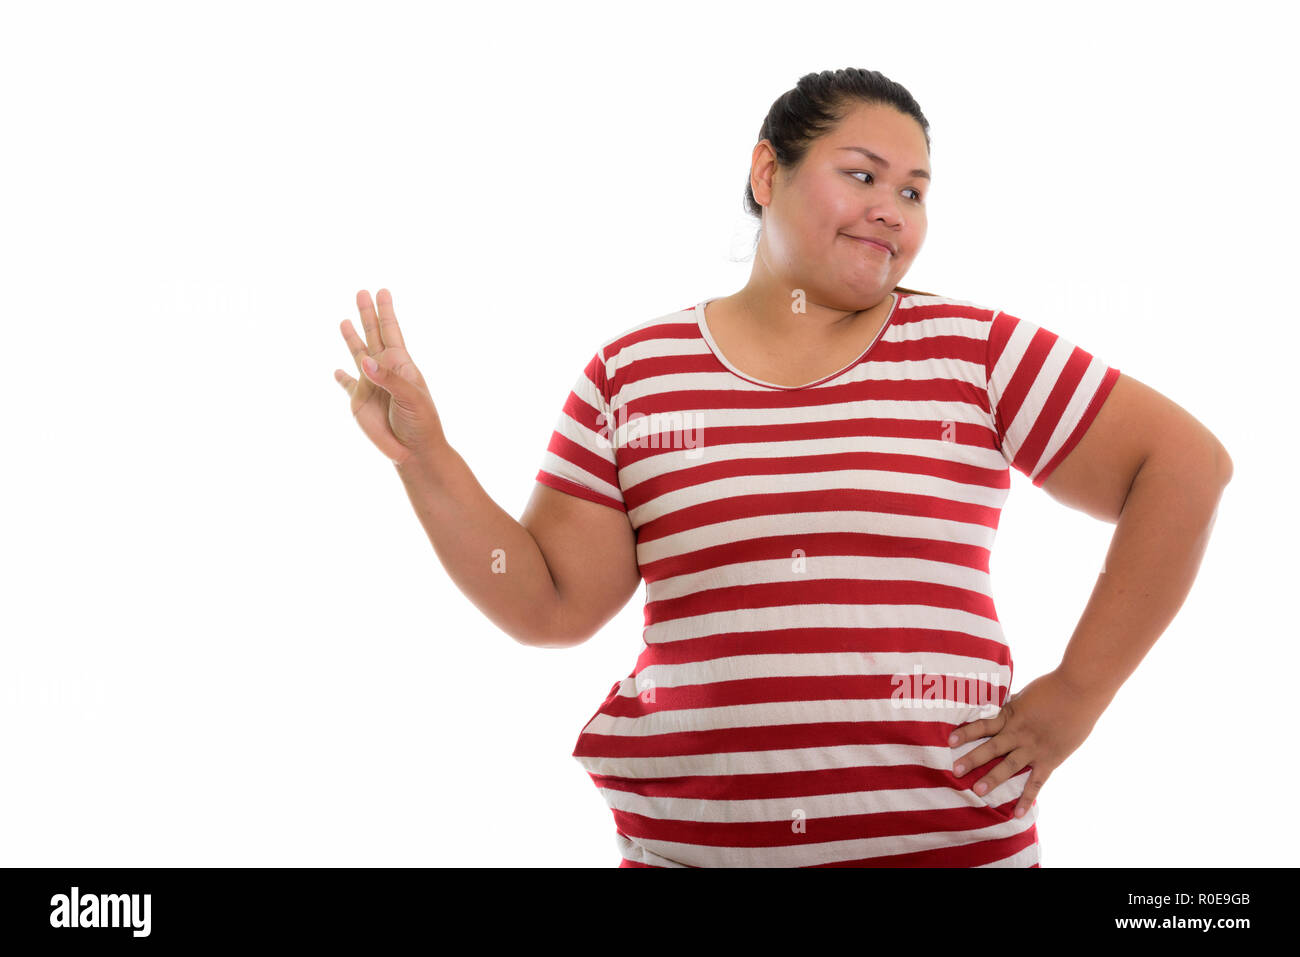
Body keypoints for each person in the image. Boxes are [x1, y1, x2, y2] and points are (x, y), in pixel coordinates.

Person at [334, 68, 1233, 867]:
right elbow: (549, 604)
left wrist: (1074, 696)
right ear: (768, 174)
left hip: (950, 850)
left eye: (916, 190)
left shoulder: (974, 352)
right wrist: (426, 456)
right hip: (689, 852)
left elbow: (1187, 468)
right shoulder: (635, 374)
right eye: (863, 174)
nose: (894, 207)